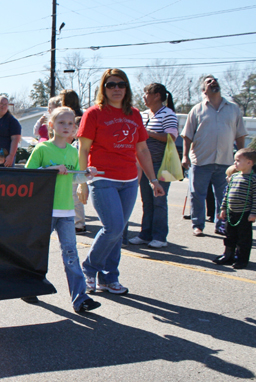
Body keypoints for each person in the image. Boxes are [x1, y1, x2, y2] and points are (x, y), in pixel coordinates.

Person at [77, 69, 164, 295]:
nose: (116, 89)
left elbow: (142, 149)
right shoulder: (94, 113)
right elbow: (83, 148)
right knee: (113, 227)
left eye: (121, 85)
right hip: (102, 178)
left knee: (119, 230)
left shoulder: (134, 114)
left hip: (129, 180)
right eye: (111, 85)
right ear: (103, 89)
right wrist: (82, 181)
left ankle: (108, 278)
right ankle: (88, 269)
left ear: (127, 88)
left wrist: (153, 179)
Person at [24, 107, 101, 313]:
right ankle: (29, 286)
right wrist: (51, 170)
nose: (66, 127)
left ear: (75, 128)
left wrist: (87, 175)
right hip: (44, 211)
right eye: (61, 123)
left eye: (70, 124)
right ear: (51, 125)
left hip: (67, 212)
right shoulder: (42, 149)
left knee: (71, 255)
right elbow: (28, 175)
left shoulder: (73, 152)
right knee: (37, 252)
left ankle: (80, 299)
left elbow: (75, 177)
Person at [182, 75, 248, 236]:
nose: (213, 82)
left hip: (226, 161)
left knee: (224, 197)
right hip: (201, 160)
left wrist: (243, 158)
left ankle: (221, 225)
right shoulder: (197, 109)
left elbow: (240, 135)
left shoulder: (233, 109)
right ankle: (197, 225)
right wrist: (185, 156)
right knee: (197, 195)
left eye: (214, 80)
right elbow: (187, 135)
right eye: (208, 82)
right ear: (204, 90)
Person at [128, 84, 179, 249]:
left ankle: (160, 236)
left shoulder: (168, 114)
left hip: (161, 163)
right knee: (147, 201)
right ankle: (145, 234)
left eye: (146, 94)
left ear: (157, 96)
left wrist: (148, 133)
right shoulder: (142, 114)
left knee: (159, 201)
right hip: (143, 164)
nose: (144, 97)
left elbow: (171, 137)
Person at [213, 149, 256, 269]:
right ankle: (228, 255)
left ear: (249, 162)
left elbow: (255, 198)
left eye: (238, 160)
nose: (235, 163)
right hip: (231, 212)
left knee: (243, 238)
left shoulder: (253, 179)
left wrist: (253, 213)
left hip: (244, 213)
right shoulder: (234, 177)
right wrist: (223, 208)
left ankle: (241, 259)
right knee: (229, 235)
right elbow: (226, 194)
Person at [60, 89, 87, 232]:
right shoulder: (79, 114)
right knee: (71, 191)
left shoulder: (77, 116)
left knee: (73, 190)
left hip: (74, 152)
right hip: (70, 152)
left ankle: (78, 223)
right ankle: (76, 220)